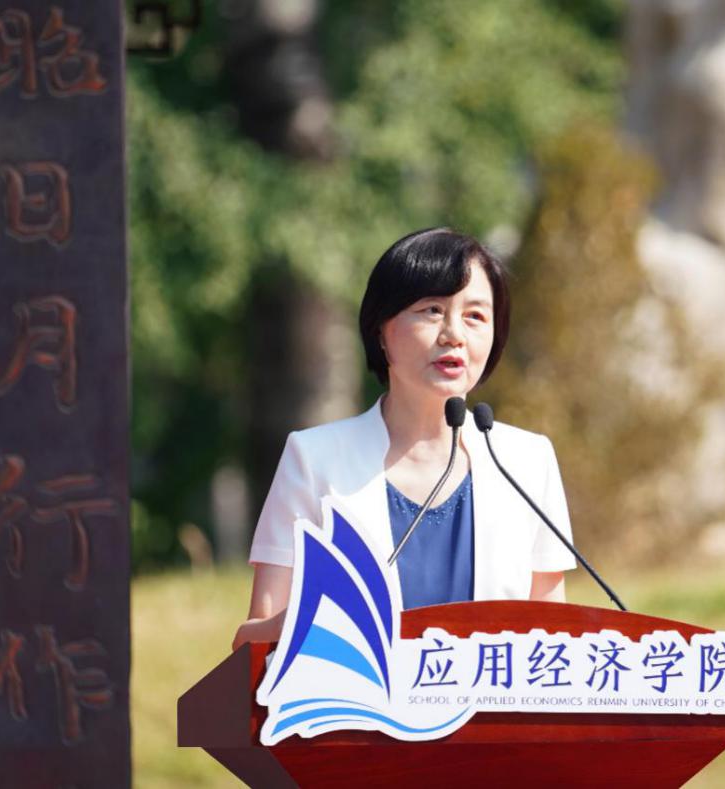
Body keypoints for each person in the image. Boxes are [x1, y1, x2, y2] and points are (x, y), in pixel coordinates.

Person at [232, 228, 575, 651]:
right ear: (382, 330)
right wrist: (314, 620)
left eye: (475, 316)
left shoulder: (527, 461)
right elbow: (251, 641)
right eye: (432, 310)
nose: (454, 335)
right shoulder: (314, 459)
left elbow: (554, 638)